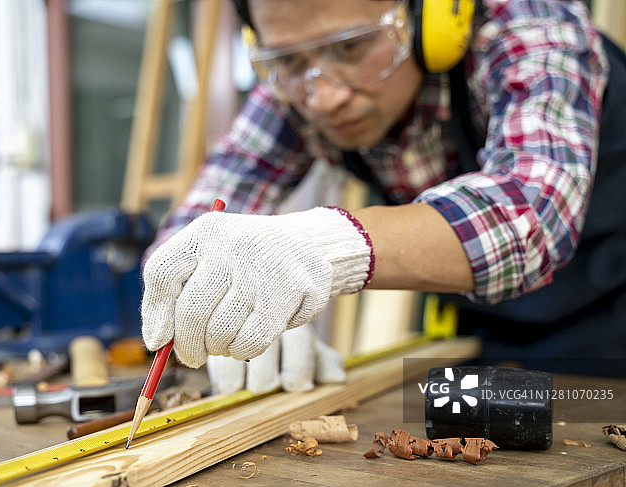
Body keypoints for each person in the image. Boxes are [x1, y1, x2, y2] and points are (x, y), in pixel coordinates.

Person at [140, 0, 626, 398]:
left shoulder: (529, 25)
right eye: (287, 60)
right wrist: (220, 297)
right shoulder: (297, 85)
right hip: (479, 332)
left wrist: (321, 247)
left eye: (351, 46)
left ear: (430, 16)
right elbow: (191, 229)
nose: (323, 97)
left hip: (611, 321)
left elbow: (529, 216)